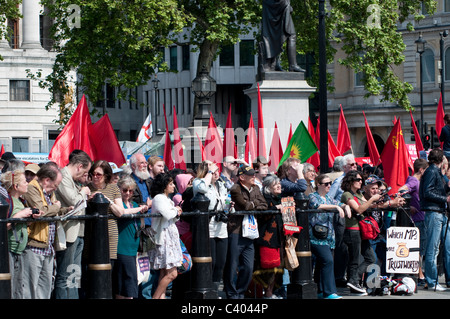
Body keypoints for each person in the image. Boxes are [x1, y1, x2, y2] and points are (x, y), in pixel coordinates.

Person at [22, 162, 70, 299]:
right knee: (30, 288)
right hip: (34, 245)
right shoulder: (32, 188)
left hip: (47, 247)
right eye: (55, 185)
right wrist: (56, 207)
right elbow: (41, 210)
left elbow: (50, 210)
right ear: (47, 180)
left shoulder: (48, 192)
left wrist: (65, 210)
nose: (56, 188)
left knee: (45, 287)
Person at [224, 165, 268, 299]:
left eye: (254, 174)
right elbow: (246, 206)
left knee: (248, 267)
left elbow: (264, 205)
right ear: (242, 177)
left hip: (250, 232)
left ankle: (241, 292)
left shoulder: (255, 188)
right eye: (251, 175)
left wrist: (252, 204)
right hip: (236, 230)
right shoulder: (235, 188)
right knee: (232, 265)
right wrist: (254, 204)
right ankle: (231, 294)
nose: (254, 177)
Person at [54, 150, 92, 299]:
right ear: (79, 166)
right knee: (64, 276)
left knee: (74, 277)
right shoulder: (63, 176)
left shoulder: (73, 180)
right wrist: (83, 192)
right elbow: (73, 201)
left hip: (78, 232)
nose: (85, 175)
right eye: (85, 171)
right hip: (68, 233)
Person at [308, 174, 351, 299]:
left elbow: (340, 203)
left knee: (323, 263)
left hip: (328, 236)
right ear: (319, 185)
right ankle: (329, 292)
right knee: (328, 260)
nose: (329, 186)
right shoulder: (312, 196)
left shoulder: (329, 198)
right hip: (316, 236)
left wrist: (345, 206)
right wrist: (336, 207)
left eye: (330, 183)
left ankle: (320, 290)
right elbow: (317, 206)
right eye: (326, 184)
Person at [340, 170, 381, 295]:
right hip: (352, 229)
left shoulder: (359, 194)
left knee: (370, 257)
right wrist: (372, 199)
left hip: (361, 230)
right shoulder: (347, 195)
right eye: (358, 180)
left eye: (361, 180)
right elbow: (359, 209)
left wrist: (387, 202)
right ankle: (354, 282)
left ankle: (354, 280)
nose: (360, 182)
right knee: (355, 259)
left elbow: (369, 206)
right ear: (351, 181)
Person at [193, 161, 230, 292]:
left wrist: (229, 207)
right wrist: (208, 173)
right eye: (213, 171)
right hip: (208, 225)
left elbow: (226, 199)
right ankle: (208, 289)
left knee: (221, 262)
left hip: (221, 225)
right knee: (211, 261)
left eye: (217, 171)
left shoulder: (221, 185)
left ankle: (214, 289)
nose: (216, 174)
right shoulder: (198, 182)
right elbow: (202, 189)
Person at [419, 148, 450, 291]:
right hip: (434, 212)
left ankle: (432, 280)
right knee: (432, 248)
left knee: (438, 247)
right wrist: (445, 198)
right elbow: (428, 191)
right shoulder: (432, 171)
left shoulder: (434, 171)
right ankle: (431, 281)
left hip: (438, 212)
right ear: (441, 159)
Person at [148, 173, 183, 299]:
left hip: (170, 237)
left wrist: (176, 212)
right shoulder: (158, 198)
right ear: (164, 186)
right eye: (171, 184)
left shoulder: (167, 199)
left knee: (164, 273)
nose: (173, 186)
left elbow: (170, 219)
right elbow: (168, 215)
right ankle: (155, 298)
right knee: (172, 274)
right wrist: (176, 210)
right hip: (163, 239)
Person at [0, 170, 33, 298]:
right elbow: (3, 226)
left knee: (19, 286)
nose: (27, 184)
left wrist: (31, 217)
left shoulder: (22, 201)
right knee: (10, 286)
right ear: (16, 186)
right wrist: (19, 216)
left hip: (19, 250)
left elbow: (24, 225)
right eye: (25, 182)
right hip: (9, 250)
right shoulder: (7, 202)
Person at [114, 175, 148, 299]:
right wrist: (141, 208)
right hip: (122, 248)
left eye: (130, 191)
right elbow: (122, 212)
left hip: (133, 248)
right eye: (124, 190)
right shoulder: (119, 204)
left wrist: (142, 211)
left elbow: (141, 225)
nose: (127, 193)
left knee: (127, 284)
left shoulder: (133, 204)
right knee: (126, 285)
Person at [88, 160, 125, 265]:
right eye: (93, 174)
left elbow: (120, 212)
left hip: (110, 233)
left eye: (98, 174)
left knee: (108, 267)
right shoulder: (86, 188)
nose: (95, 177)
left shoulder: (114, 188)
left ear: (106, 175)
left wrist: (106, 200)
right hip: (91, 234)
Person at [399, 158, 428, 285]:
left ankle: (419, 273)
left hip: (420, 218)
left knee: (420, 249)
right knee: (419, 249)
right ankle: (419, 275)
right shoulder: (413, 180)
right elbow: (401, 190)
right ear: (421, 170)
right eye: (426, 170)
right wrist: (408, 206)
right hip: (418, 220)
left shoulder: (416, 181)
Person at [256, 174, 285, 299]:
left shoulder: (279, 198)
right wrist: (275, 208)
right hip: (267, 238)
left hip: (279, 238)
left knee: (278, 267)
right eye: (275, 184)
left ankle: (271, 292)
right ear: (268, 187)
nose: (279, 186)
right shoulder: (265, 199)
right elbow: (262, 213)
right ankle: (267, 293)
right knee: (268, 267)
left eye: (279, 183)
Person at [261, 0, 303, 72]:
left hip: (270, 5)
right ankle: (292, 65)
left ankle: (274, 64)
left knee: (272, 34)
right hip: (280, 4)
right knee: (291, 35)